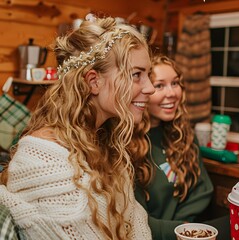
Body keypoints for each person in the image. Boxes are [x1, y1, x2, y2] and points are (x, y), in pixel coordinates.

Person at [0, 15, 155, 240]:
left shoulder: (103, 142)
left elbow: (133, 220)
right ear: (94, 81)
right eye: (136, 75)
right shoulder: (43, 161)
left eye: (148, 75)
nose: (150, 88)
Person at [134, 54, 214, 240]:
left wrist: (185, 228)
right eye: (159, 85)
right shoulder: (127, 144)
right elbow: (132, 217)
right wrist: (176, 230)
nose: (171, 93)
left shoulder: (182, 135)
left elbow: (202, 191)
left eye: (175, 83)